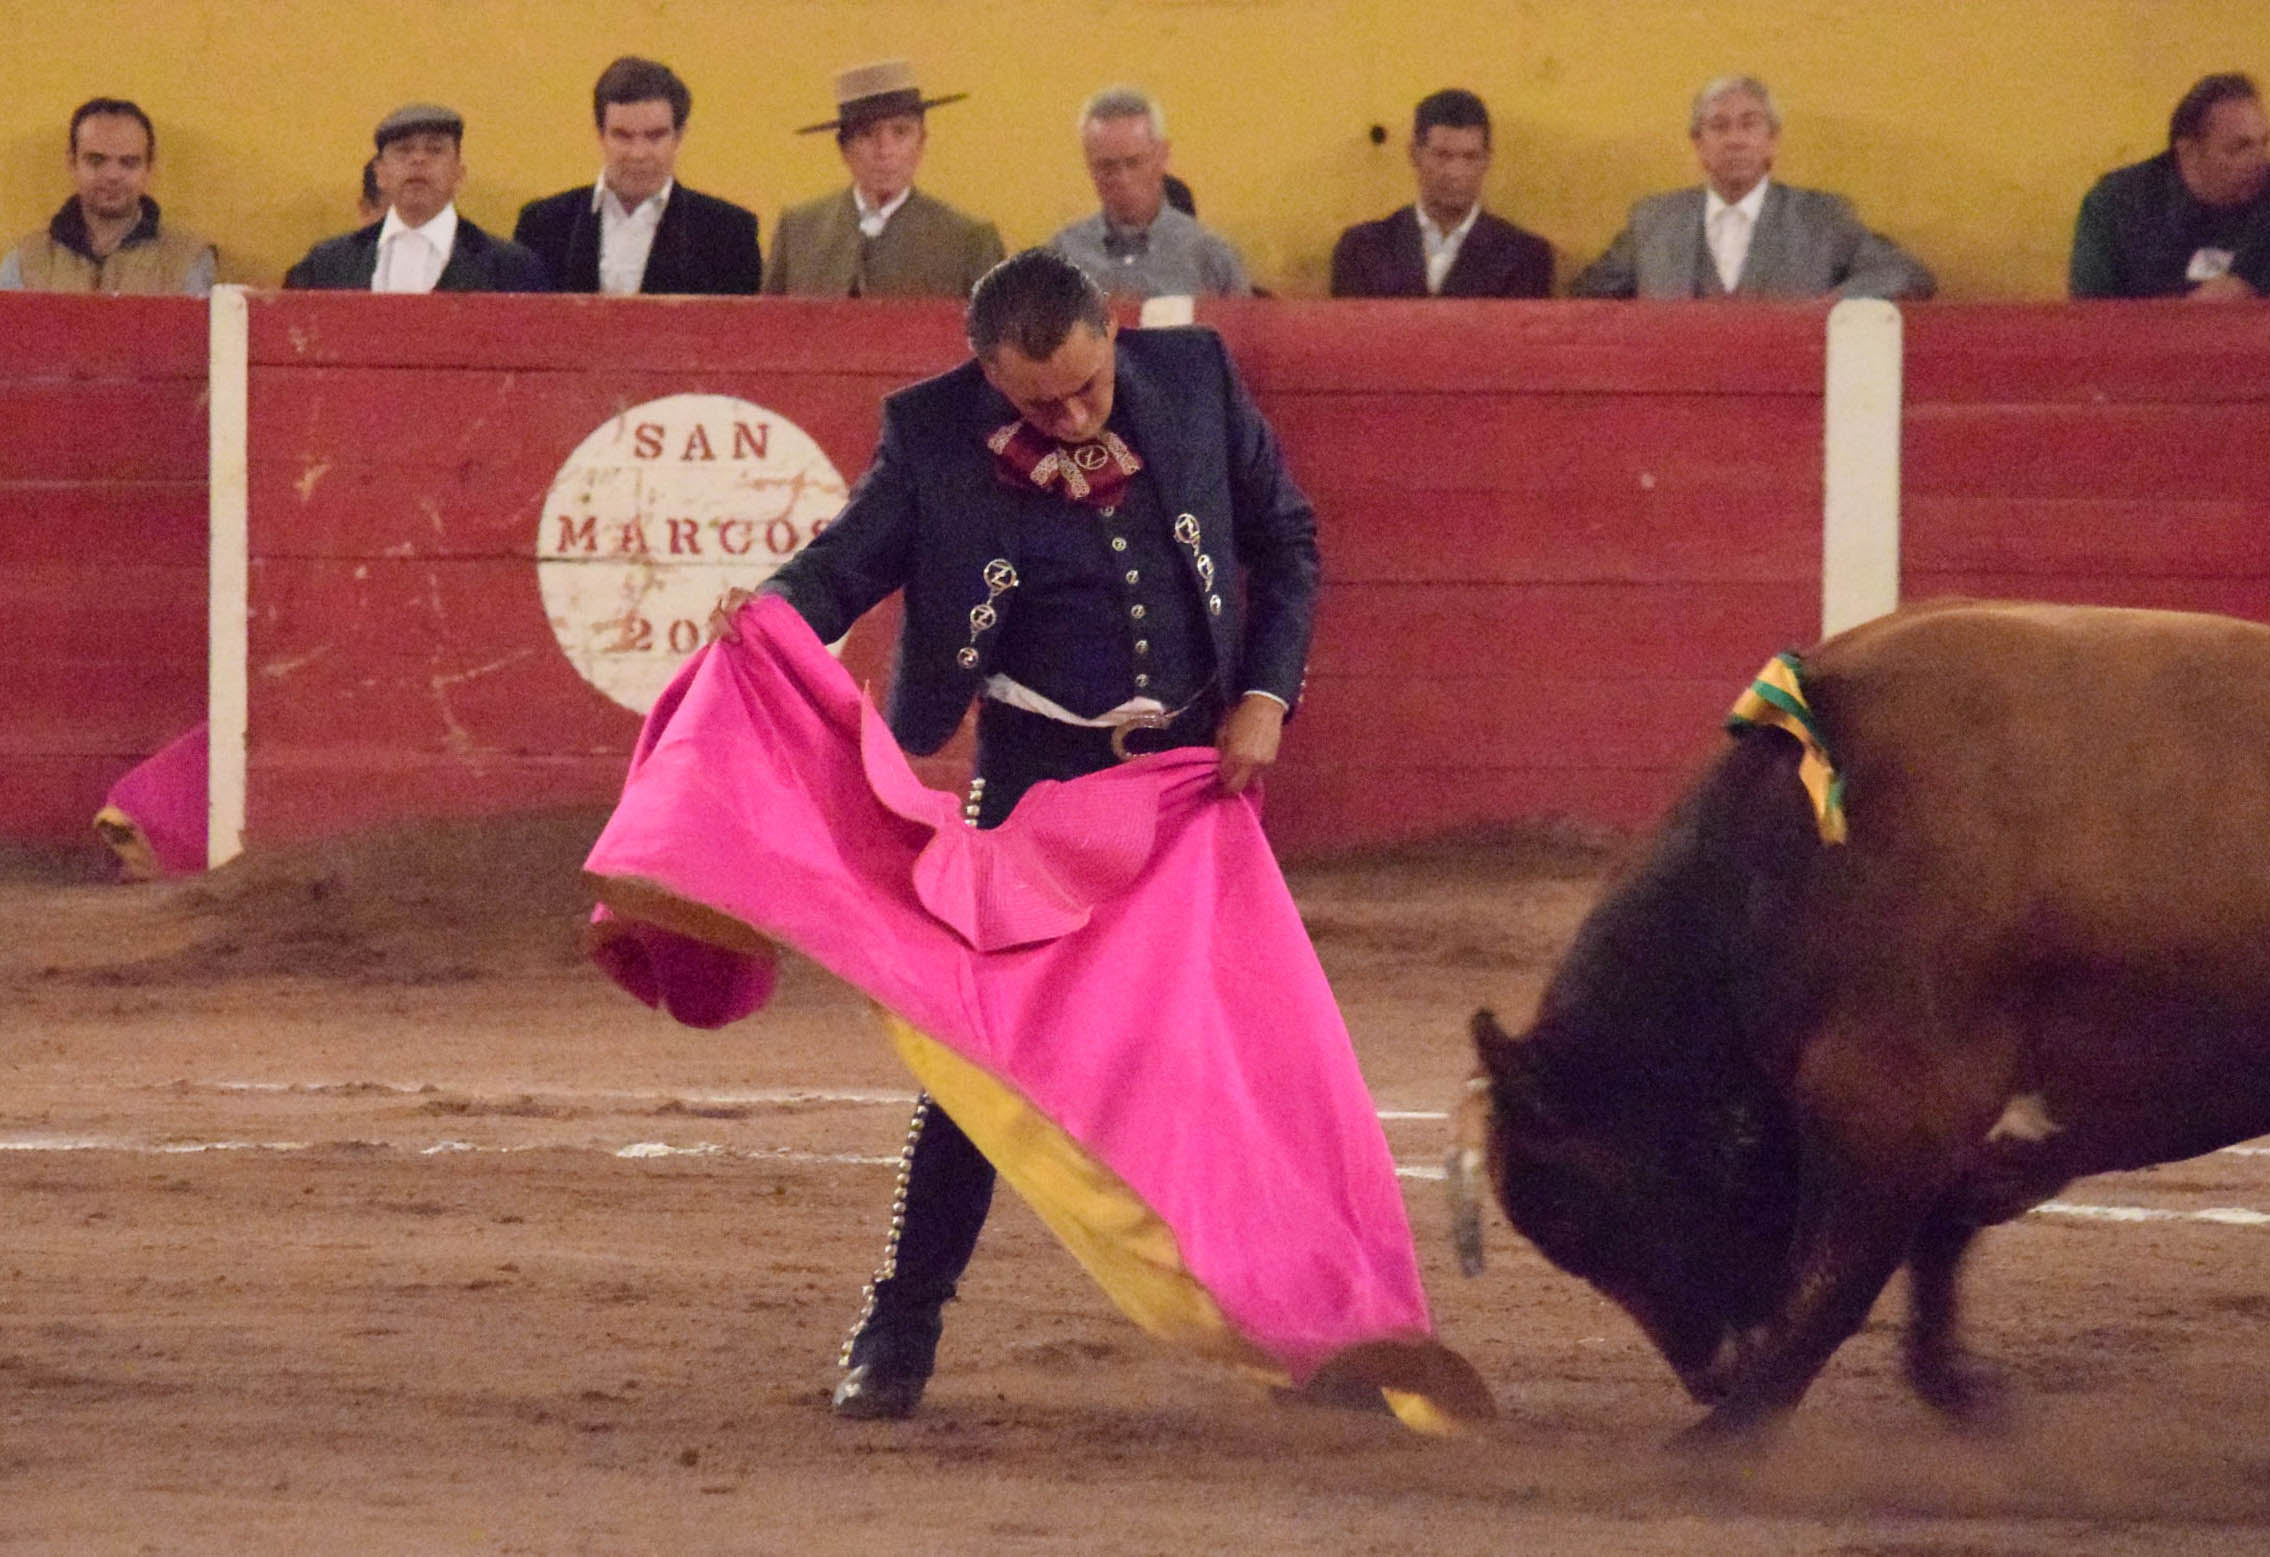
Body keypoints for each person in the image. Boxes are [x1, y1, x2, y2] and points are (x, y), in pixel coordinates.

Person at [743, 247, 1318, 1419]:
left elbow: (1286, 542)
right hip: (1033, 802)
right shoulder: (931, 438)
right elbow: (834, 574)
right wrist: (760, 626)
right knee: (975, 1063)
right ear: (985, 376)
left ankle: (1301, 1327)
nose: (1064, 419)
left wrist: (1264, 695)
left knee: (1238, 1063)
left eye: (1082, 391)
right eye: (1032, 404)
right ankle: (898, 1326)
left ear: (1108, 335)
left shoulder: (1197, 380)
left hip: (1186, 790)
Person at [1570, 75, 1934, 301]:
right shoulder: (1654, 220)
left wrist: (1831, 308)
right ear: (1698, 143)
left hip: (1788, 394)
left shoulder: (1821, 218)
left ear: (1772, 141)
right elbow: (1586, 295)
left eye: (1750, 125)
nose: (1735, 140)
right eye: (1719, 126)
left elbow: (1905, 274)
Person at [514, 57, 762, 295]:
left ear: (679, 136)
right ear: (600, 134)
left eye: (655, 136)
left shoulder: (728, 234)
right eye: (622, 136)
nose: (638, 154)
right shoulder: (543, 225)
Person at [763, 59, 1003, 297]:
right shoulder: (799, 230)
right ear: (843, 148)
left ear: (921, 142)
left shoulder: (968, 239)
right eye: (867, 134)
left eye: (900, 132)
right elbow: (767, 327)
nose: (885, 151)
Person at [2070, 73, 2270, 299]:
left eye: (2264, 143)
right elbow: (2091, 317)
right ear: (2188, 151)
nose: (2260, 161)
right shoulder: (2115, 204)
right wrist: (2187, 317)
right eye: (2240, 148)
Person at [284, 103, 549, 291]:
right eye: (403, 150)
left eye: (434, 150)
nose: (418, 160)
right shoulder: (327, 265)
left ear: (459, 173)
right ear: (380, 174)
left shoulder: (511, 267)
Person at [1330, 88, 1556, 298]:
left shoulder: (1525, 257)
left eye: (1470, 157)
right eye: (1442, 155)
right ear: (1415, 155)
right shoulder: (1363, 249)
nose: (1455, 172)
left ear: (1487, 160)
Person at [1049, 87, 1249, 300]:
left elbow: (1244, 331)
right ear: (1089, 166)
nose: (1123, 179)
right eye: (1107, 167)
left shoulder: (1211, 258)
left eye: (1134, 163)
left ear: (1162, 156)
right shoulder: (1061, 259)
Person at [1, 98, 215, 294]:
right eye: (96, 160)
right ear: (72, 162)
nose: (112, 175)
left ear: (149, 168)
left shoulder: (187, 261)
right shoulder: (24, 262)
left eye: (129, 162)